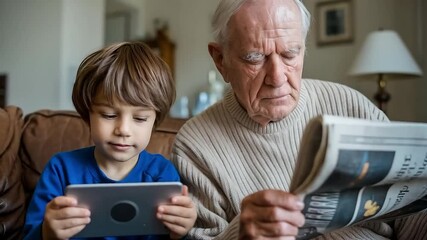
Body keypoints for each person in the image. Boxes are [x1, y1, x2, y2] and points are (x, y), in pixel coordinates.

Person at [171, 0, 427, 239]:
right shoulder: (195, 145)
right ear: (220, 60)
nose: (277, 77)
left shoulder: (350, 104)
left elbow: (411, 215)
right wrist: (239, 234)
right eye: (255, 58)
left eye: (290, 54)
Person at [24, 42, 197, 240]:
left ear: (154, 121)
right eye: (108, 115)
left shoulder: (162, 174)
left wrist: (181, 232)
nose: (123, 130)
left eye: (139, 118)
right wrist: (47, 232)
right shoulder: (60, 169)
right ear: (88, 113)